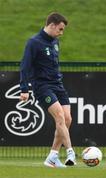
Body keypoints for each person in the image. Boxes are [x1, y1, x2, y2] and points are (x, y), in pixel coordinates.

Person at [20, 12, 76, 168]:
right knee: (59, 116)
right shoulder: (34, 42)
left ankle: (52, 157)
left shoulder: (55, 42)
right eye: (60, 29)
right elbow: (25, 66)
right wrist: (24, 88)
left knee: (67, 119)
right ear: (51, 25)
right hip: (42, 87)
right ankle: (70, 151)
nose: (61, 33)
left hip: (58, 85)